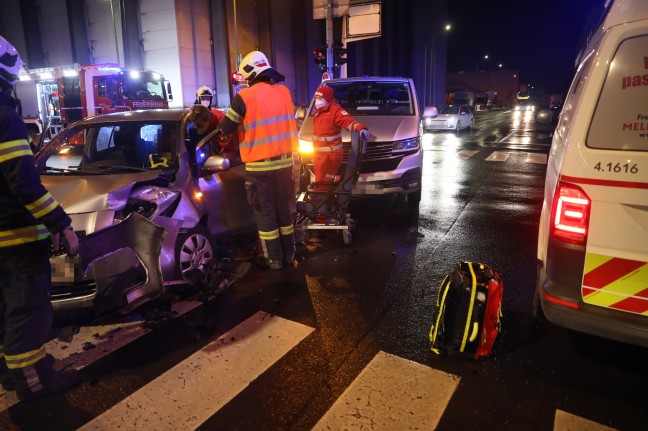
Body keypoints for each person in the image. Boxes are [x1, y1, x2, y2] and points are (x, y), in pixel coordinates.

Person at [0, 36, 81, 401]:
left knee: (5, 310)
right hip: (14, 237)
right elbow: (24, 182)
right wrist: (60, 223)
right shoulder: (5, 117)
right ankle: (35, 382)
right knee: (27, 309)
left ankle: (10, 373)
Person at [215, 51, 298, 270]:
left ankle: (274, 260)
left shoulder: (245, 96)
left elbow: (226, 127)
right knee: (283, 211)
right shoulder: (284, 92)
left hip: (259, 167)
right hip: (284, 164)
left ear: (250, 73)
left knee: (266, 215)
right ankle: (289, 255)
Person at [311, 85, 369, 190]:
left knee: (323, 184)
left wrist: (360, 128)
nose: (317, 101)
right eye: (316, 98)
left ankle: (320, 203)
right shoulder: (317, 114)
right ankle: (322, 202)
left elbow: (348, 121)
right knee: (320, 182)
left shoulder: (335, 110)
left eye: (320, 98)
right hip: (318, 155)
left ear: (327, 99)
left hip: (330, 156)